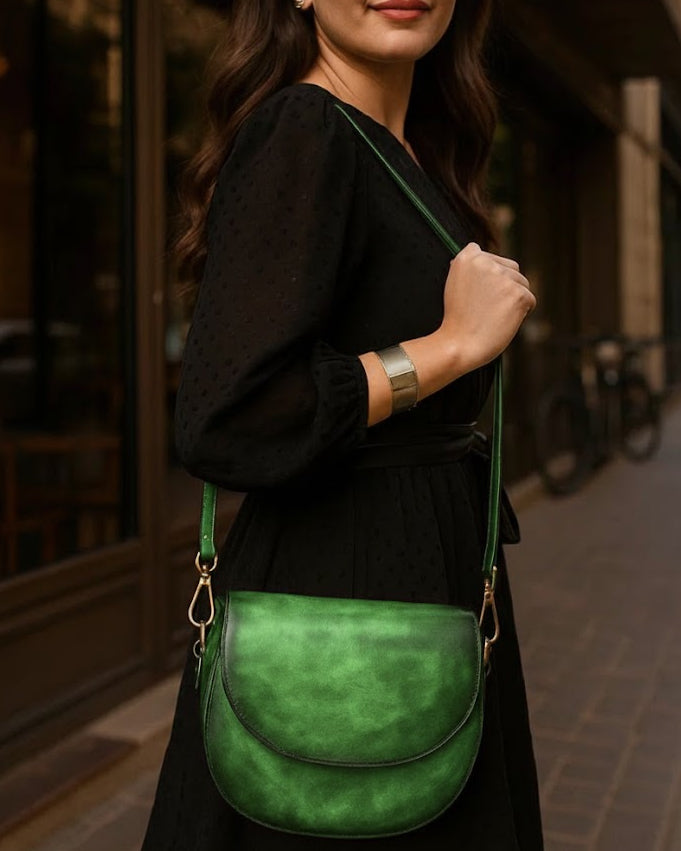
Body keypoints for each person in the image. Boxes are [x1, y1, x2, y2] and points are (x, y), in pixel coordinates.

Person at [142, 0, 543, 848]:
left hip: (414, 572)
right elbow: (231, 418)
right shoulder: (304, 128)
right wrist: (447, 348)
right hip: (343, 591)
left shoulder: (403, 153)